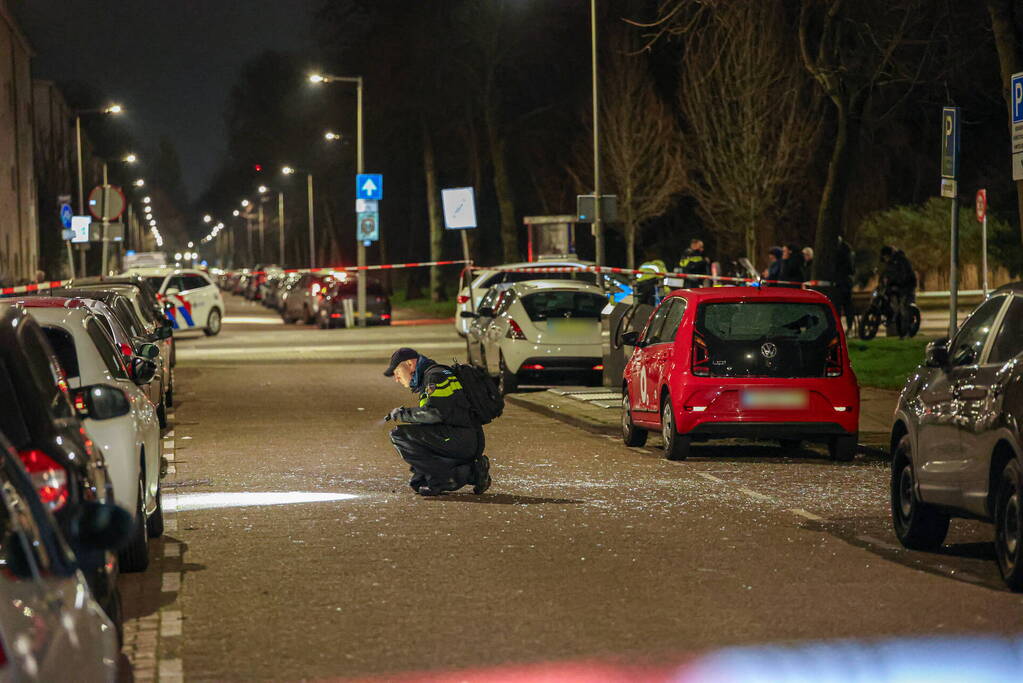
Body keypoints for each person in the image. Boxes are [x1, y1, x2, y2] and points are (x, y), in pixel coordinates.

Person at [384, 347, 490, 497]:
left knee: (399, 435)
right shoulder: (436, 374)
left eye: (397, 372)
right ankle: (473, 472)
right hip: (464, 437)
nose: (396, 379)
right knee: (418, 482)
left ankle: (451, 477)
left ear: (409, 364)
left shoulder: (435, 377)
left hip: (460, 438)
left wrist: (403, 414)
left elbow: (435, 414)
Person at [879, 245, 917, 338]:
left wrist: (898, 283)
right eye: (884, 257)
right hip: (895, 286)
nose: (886, 259)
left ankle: (906, 329)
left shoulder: (901, 260)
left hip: (906, 286)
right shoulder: (889, 263)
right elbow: (884, 273)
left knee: (903, 308)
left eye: (887, 257)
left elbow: (904, 275)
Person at [833, 237, 855, 332]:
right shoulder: (849, 253)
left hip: (840, 283)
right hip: (847, 283)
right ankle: (849, 327)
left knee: (838, 306)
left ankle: (838, 328)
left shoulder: (839, 254)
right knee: (847, 307)